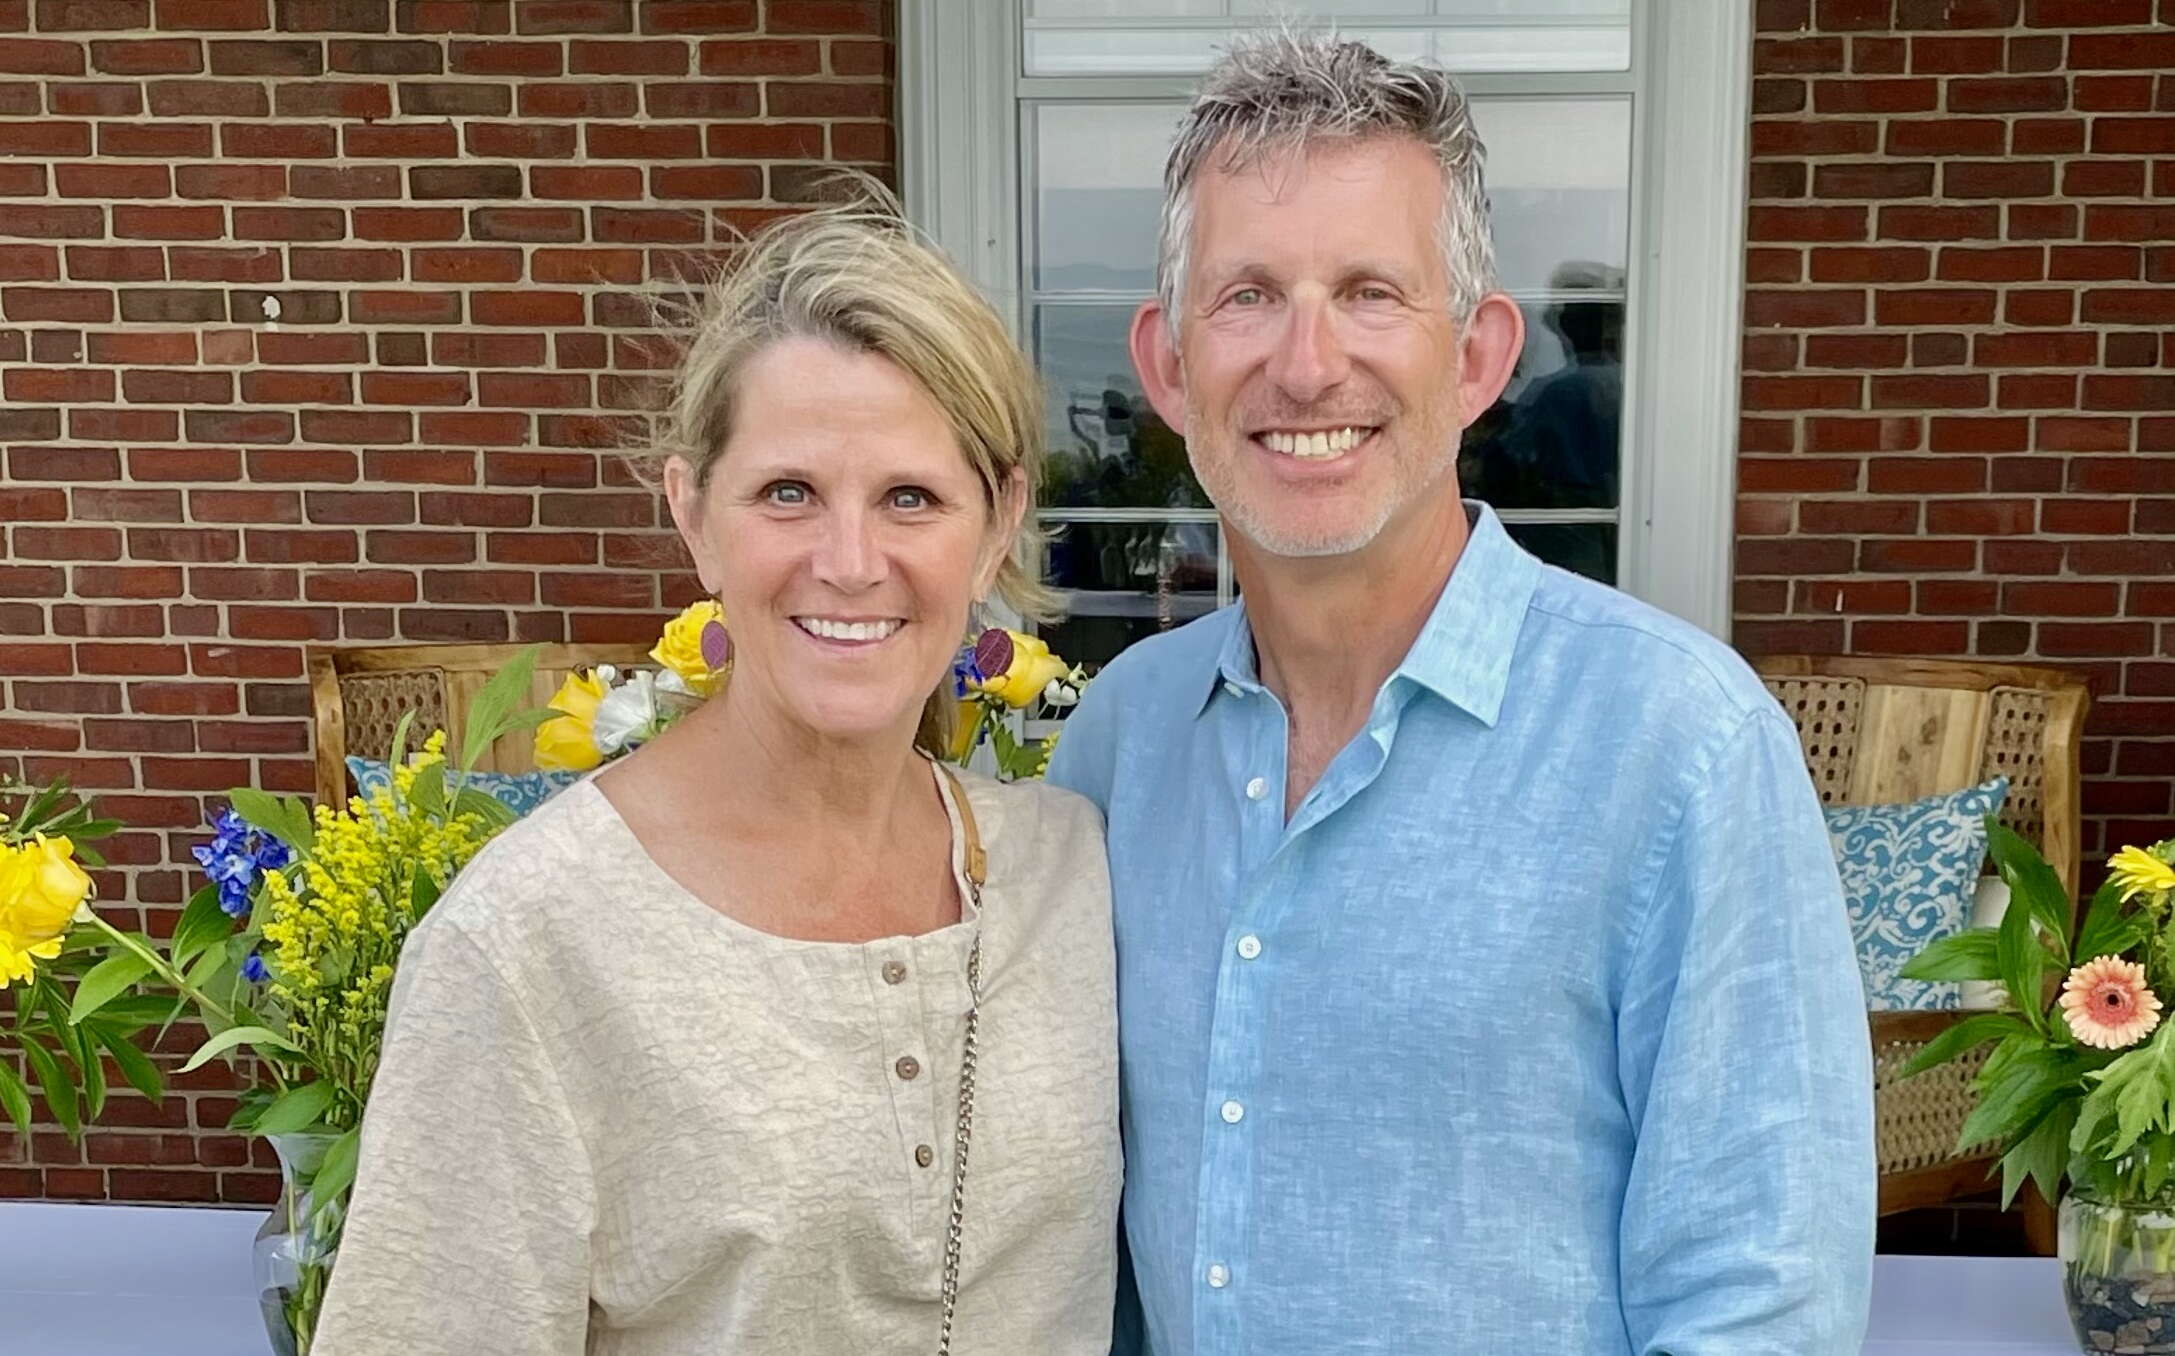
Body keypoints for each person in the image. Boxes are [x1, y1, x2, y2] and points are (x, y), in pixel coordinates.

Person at [1046, 31, 1874, 1355]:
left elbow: (1756, 1300)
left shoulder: (1678, 746)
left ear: (1478, 356)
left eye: (1369, 292)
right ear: (1164, 366)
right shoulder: (1117, 743)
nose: (1306, 365)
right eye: (1246, 295)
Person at [314, 193, 1121, 1355]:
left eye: (911, 497)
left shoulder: (1070, 870)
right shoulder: (530, 945)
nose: (850, 564)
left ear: (996, 525)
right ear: (695, 516)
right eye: (787, 493)